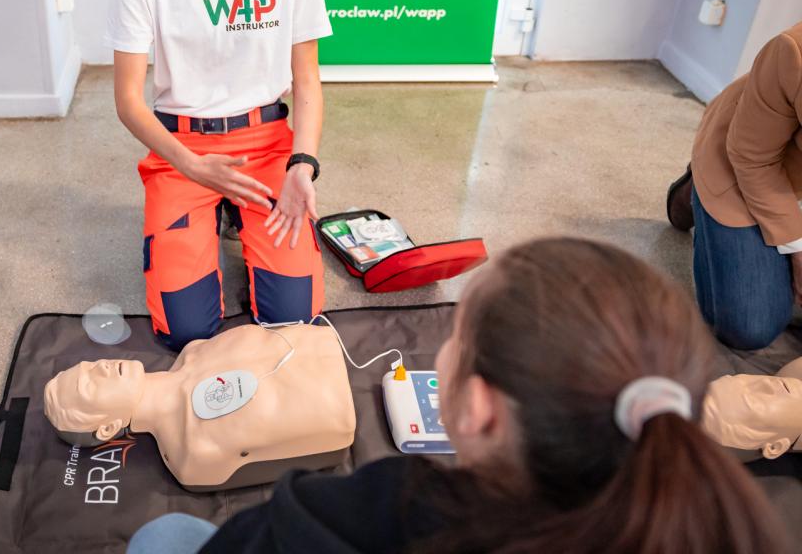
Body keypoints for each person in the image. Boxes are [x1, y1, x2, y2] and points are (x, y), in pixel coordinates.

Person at [128, 237, 790, 554]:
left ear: (477, 409)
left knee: (165, 536)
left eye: (456, 334)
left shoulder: (378, 506)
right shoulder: (708, 530)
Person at [107, 0, 331, 350]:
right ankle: (205, 219)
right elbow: (128, 101)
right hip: (182, 149)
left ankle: (236, 216)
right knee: (186, 332)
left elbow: (306, 80)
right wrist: (190, 164)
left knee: (293, 321)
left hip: (265, 143)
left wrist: (302, 164)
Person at [43, 322, 355, 490]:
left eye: (89, 366)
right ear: (109, 428)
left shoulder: (194, 352)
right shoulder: (193, 451)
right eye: (90, 384)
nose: (100, 366)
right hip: (345, 412)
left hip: (334, 342)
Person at [666, 21, 802, 349]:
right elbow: (754, 158)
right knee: (749, 327)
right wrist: (798, 250)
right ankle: (700, 184)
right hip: (746, 159)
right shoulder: (794, 51)